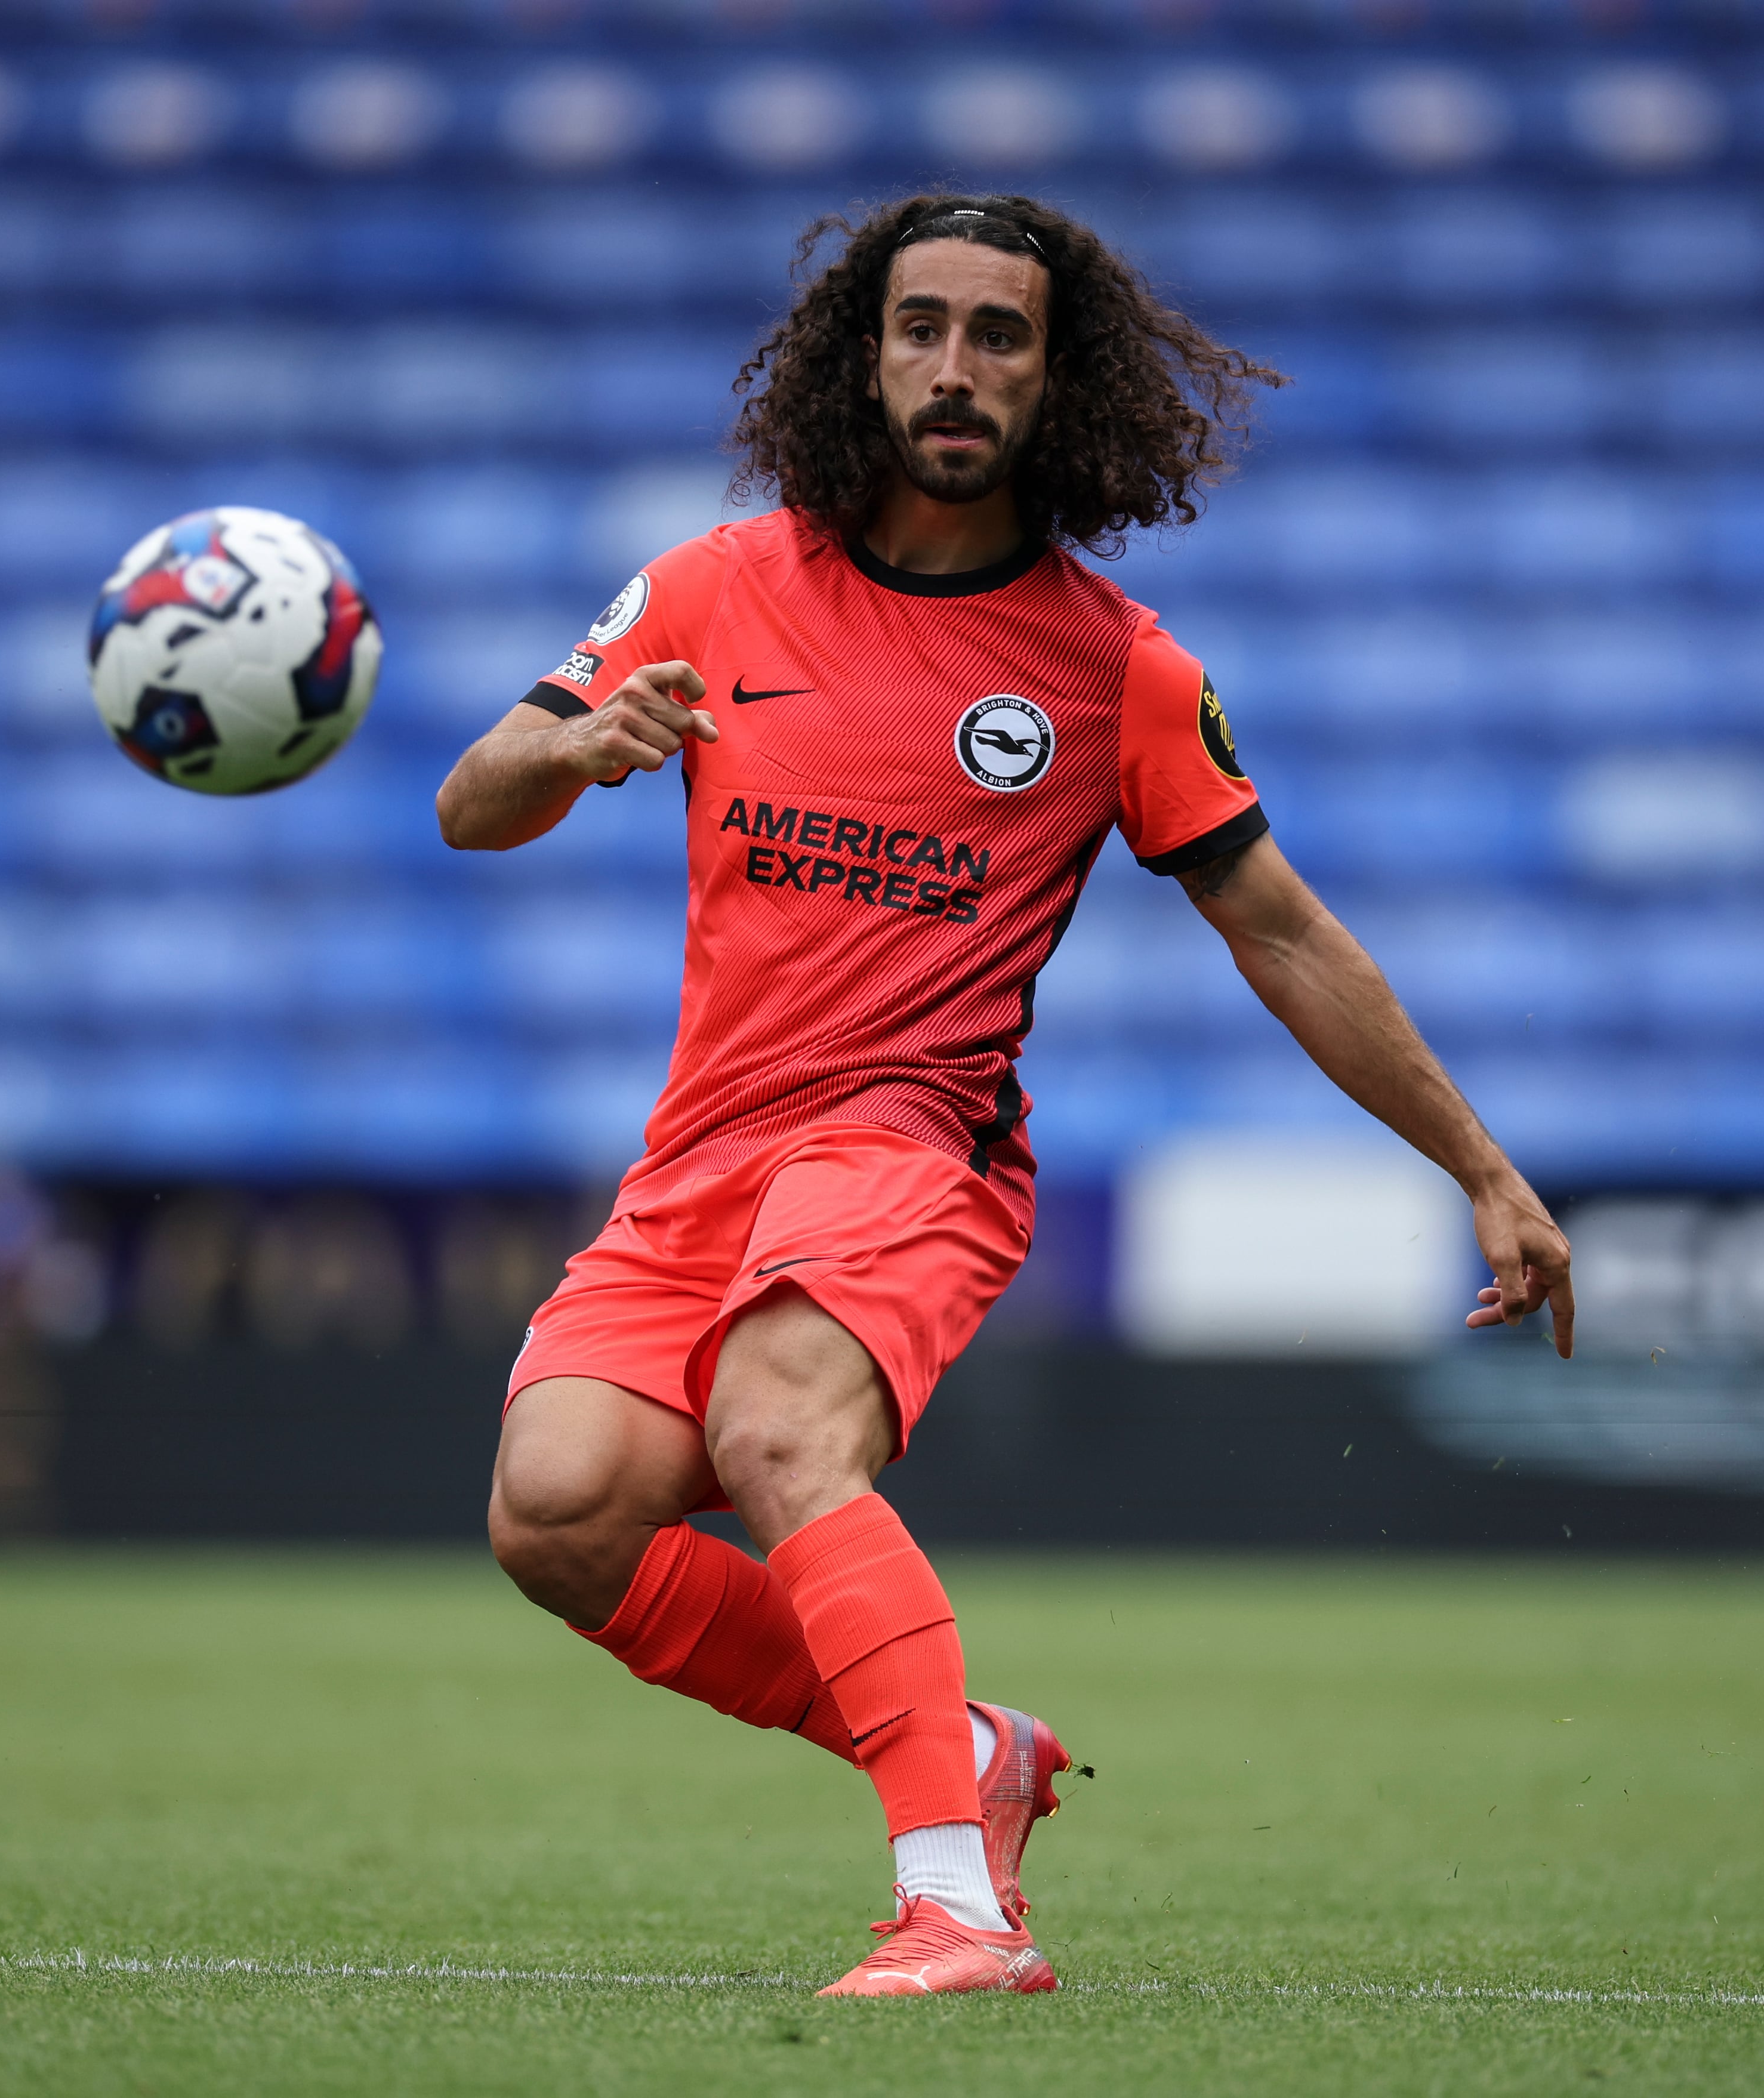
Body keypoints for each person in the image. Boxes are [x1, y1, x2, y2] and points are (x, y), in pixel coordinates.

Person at [433, 193, 1575, 1999]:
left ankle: (955, 1903)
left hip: (912, 1147)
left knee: (778, 1425)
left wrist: (1482, 1167)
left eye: (1001, 335)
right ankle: (961, 1750)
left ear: (1063, 379)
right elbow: (470, 798)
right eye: (922, 326)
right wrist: (569, 746)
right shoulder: (712, 585)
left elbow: (1282, 933)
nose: (956, 366)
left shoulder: (1118, 669)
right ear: (860, 355)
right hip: (704, 1156)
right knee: (556, 1513)